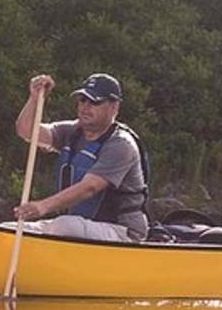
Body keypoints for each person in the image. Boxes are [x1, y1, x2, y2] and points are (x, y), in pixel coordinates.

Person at [12, 72, 149, 242]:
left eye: (94, 102)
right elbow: (27, 131)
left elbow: (90, 187)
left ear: (114, 107)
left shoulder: (121, 145)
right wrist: (35, 99)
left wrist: (42, 206)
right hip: (80, 227)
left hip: (122, 232)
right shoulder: (72, 132)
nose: (85, 107)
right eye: (82, 100)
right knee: (9, 229)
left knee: (65, 226)